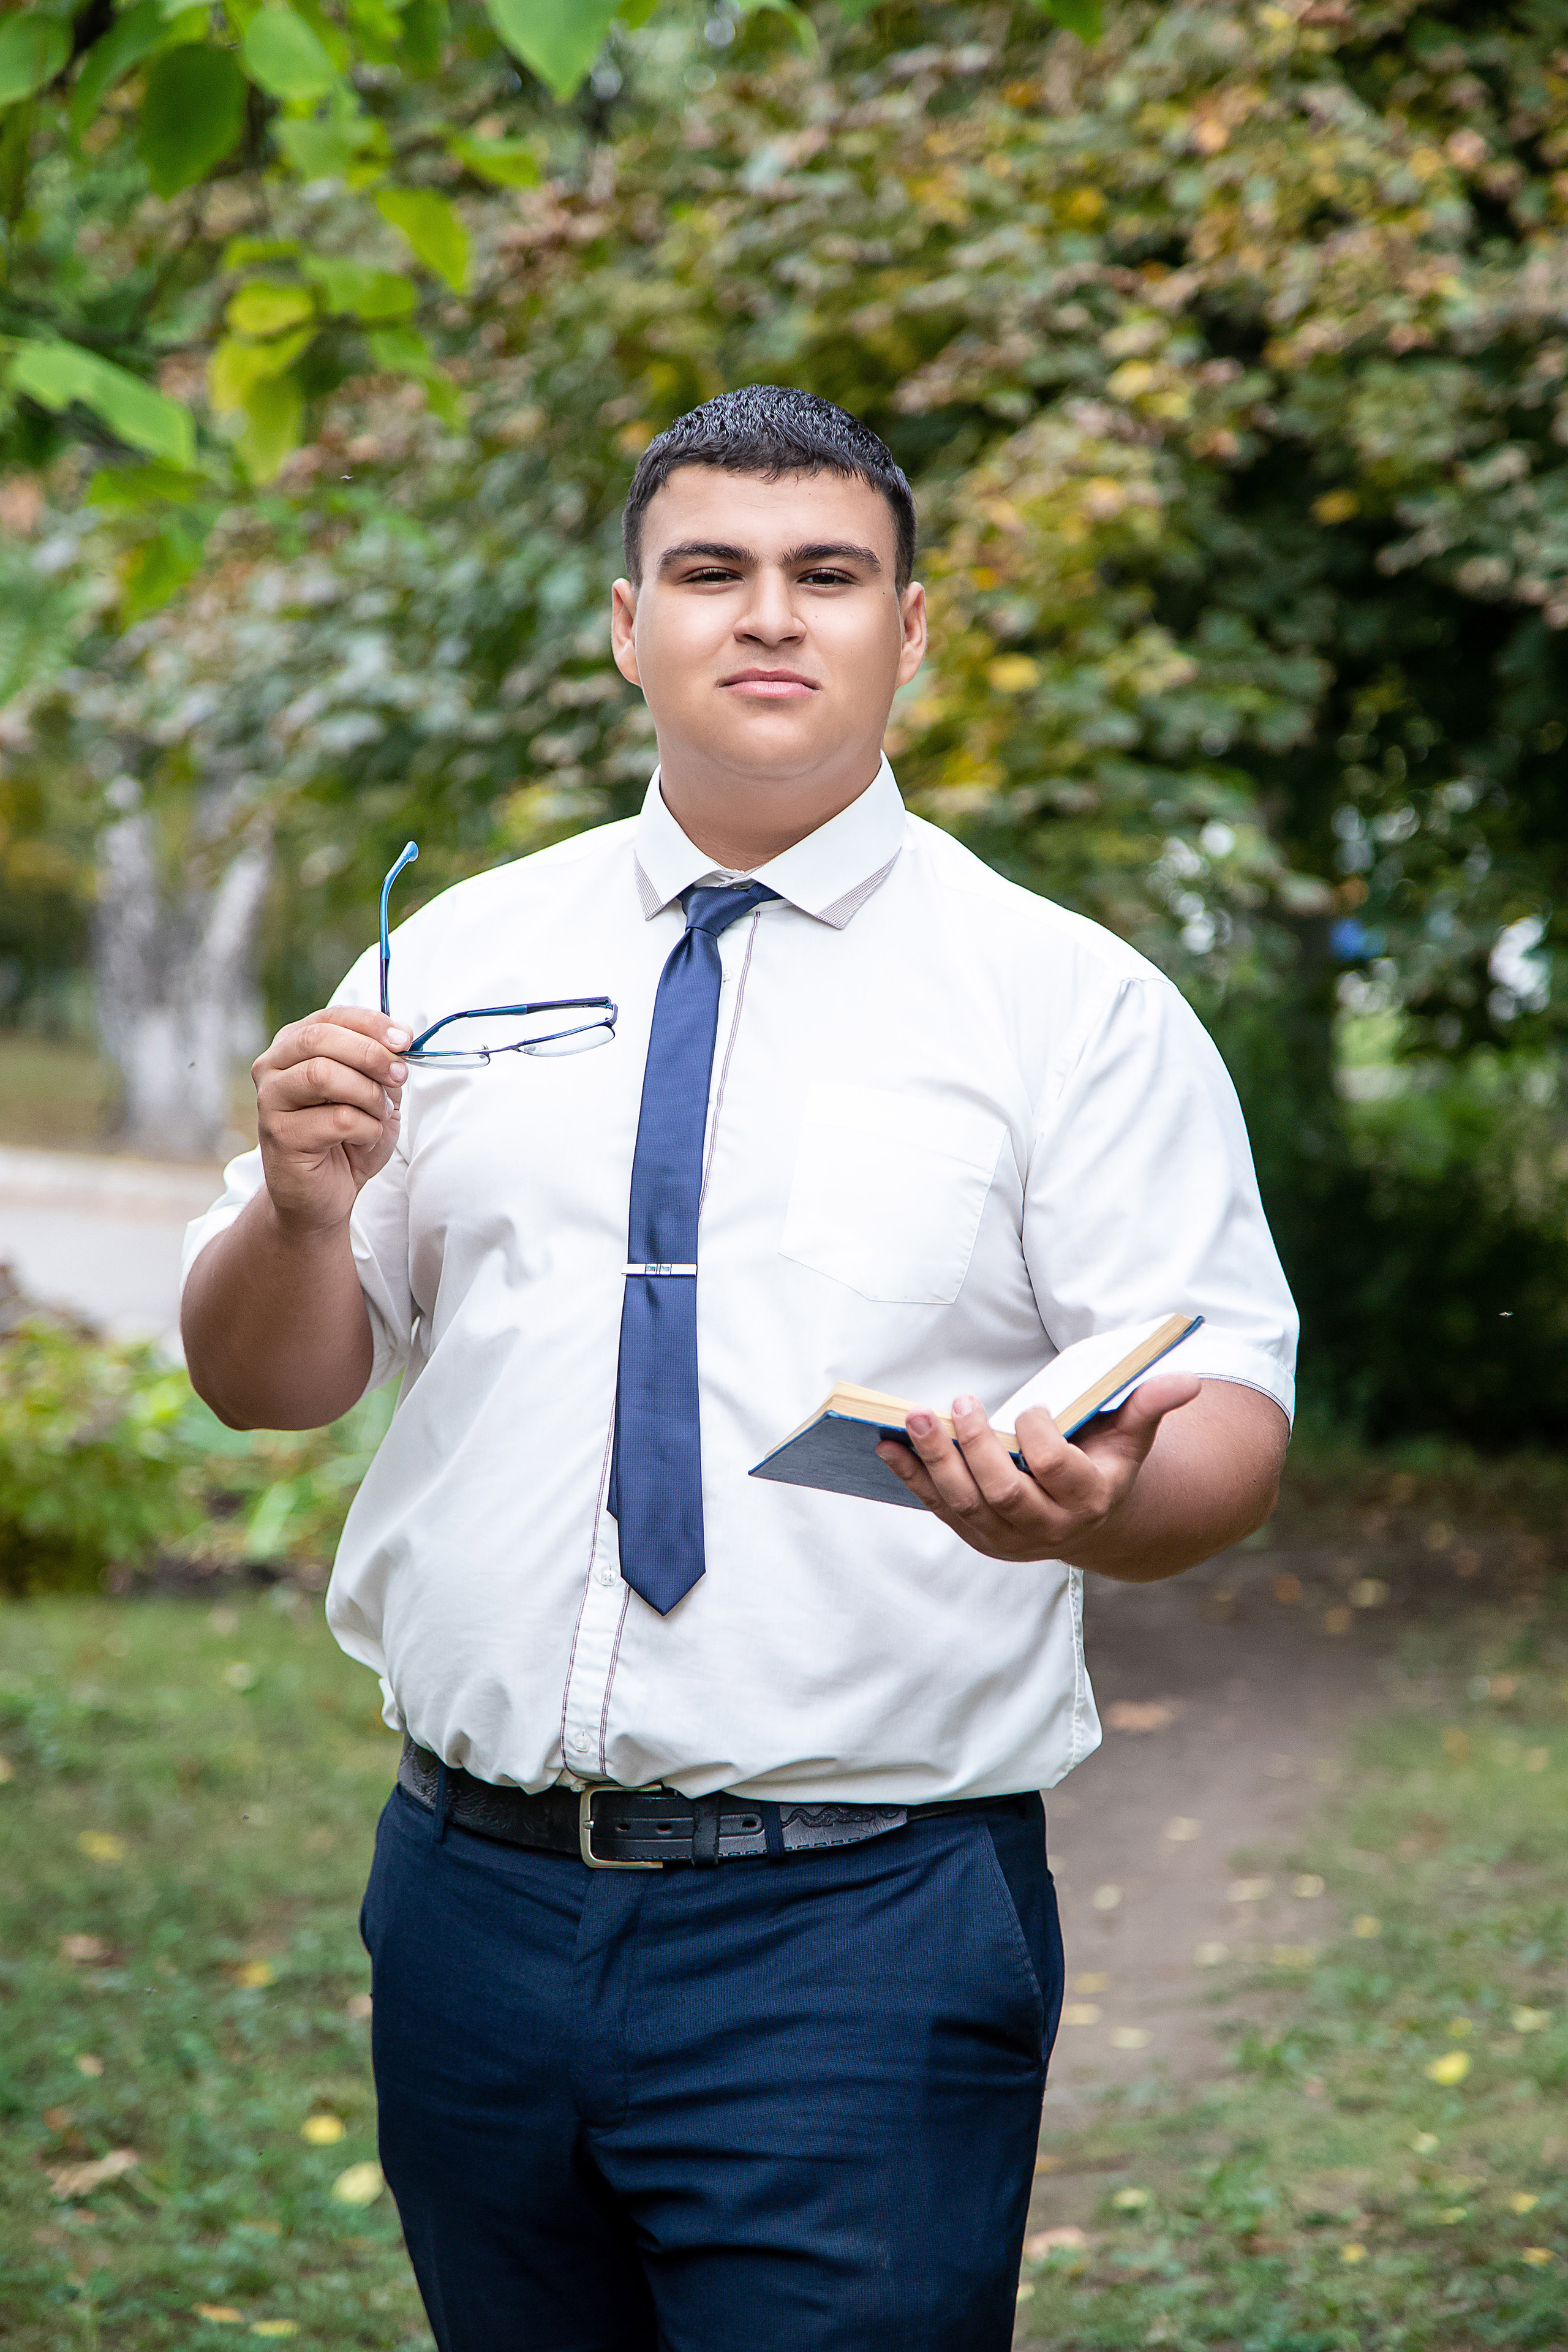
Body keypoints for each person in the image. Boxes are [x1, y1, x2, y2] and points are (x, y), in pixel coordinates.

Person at [181, 385, 1296, 2352]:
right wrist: (290, 1209)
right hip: (468, 1903)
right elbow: (267, 1383)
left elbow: (1226, 1428)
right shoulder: (439, 963)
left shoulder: (1070, 1004)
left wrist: (1101, 1511)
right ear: (630, 624)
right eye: (712, 572)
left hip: (858, 1929)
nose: (768, 616)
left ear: (911, 627)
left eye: (827, 576)